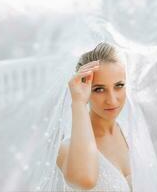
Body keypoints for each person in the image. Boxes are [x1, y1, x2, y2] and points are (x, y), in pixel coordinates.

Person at [56, 42, 132, 191]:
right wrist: (78, 102)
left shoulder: (131, 132)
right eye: (99, 89)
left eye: (119, 85)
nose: (112, 99)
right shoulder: (66, 148)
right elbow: (85, 180)